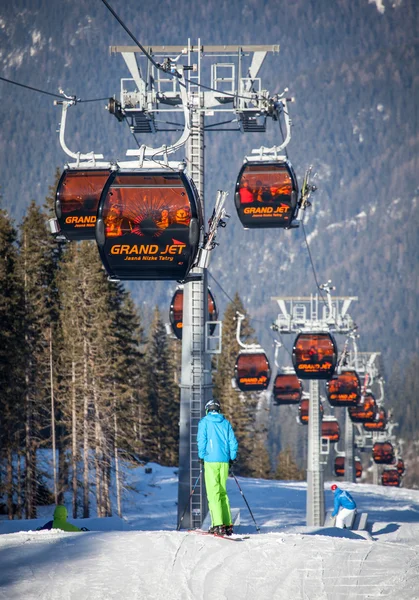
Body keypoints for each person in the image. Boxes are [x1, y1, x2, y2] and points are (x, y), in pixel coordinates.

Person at [197, 399, 238, 536]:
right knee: (222, 492)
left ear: (208, 409)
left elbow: (201, 440)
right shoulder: (225, 423)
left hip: (210, 460)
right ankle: (227, 524)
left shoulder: (204, 422)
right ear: (218, 410)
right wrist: (232, 458)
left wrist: (201, 456)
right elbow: (233, 442)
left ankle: (218, 524)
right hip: (224, 462)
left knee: (213, 493)